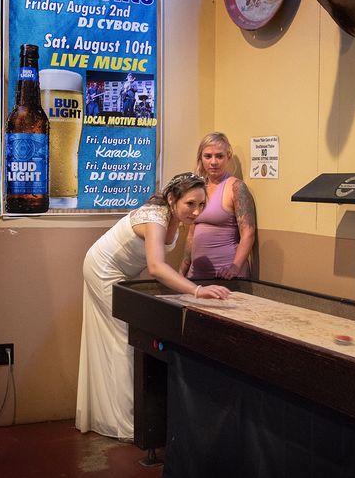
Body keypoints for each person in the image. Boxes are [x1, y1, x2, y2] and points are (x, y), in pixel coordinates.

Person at [75, 172, 231, 440]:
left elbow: (165, 261)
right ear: (172, 199)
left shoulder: (175, 218)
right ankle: (127, 423)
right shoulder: (155, 216)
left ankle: (124, 415)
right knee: (126, 336)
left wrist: (186, 280)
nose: (196, 211)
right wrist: (196, 290)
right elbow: (157, 266)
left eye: (201, 204)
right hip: (102, 269)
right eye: (190, 204)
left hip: (124, 274)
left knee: (126, 335)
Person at [180, 132, 256, 280]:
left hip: (228, 275)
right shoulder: (196, 188)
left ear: (228, 157)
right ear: (201, 158)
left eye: (219, 156)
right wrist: (182, 270)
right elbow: (191, 234)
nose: (213, 162)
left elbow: (248, 233)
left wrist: (235, 267)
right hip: (197, 275)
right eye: (208, 156)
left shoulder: (236, 187)